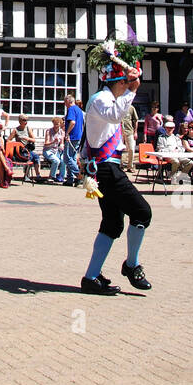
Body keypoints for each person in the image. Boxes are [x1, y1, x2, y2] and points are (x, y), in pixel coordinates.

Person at [80, 41, 152, 294]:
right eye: (126, 84)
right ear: (120, 82)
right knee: (142, 213)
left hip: (105, 168)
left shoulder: (106, 98)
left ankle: (91, 278)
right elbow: (113, 116)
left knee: (112, 223)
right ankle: (132, 265)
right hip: (106, 169)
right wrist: (132, 91)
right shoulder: (101, 99)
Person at [156, 117, 193, 181]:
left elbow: (182, 148)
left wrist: (178, 150)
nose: (169, 129)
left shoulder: (176, 138)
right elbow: (160, 149)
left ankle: (179, 176)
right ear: (165, 128)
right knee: (176, 162)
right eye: (168, 128)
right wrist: (170, 150)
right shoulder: (161, 138)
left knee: (190, 162)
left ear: (173, 129)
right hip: (167, 155)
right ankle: (173, 177)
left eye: (171, 128)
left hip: (177, 155)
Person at [62, 96, 84, 185]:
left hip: (73, 136)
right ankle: (70, 179)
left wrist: (67, 133)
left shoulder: (71, 109)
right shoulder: (79, 110)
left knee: (67, 158)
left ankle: (79, 176)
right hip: (79, 136)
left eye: (65, 102)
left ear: (68, 102)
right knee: (72, 157)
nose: (64, 104)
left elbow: (72, 122)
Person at [43, 117, 66, 181]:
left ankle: (62, 176)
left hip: (56, 151)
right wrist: (53, 142)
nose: (55, 126)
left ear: (60, 124)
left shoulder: (62, 132)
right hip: (48, 150)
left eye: (57, 124)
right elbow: (46, 144)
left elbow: (61, 143)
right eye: (54, 124)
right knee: (56, 161)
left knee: (63, 160)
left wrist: (61, 146)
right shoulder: (49, 131)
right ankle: (51, 176)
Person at [120, 100, 138, 172]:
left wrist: (135, 132)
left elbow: (136, 120)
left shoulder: (131, 108)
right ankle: (120, 165)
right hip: (120, 132)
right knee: (119, 149)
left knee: (131, 149)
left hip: (129, 131)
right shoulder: (119, 108)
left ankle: (130, 166)